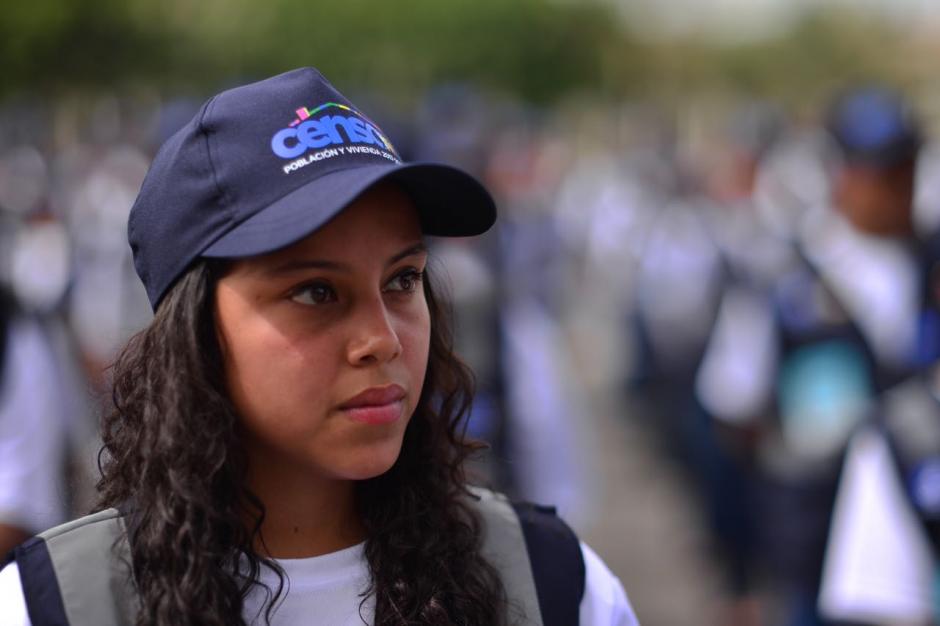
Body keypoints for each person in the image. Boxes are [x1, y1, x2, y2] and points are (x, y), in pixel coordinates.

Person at [0, 68, 637, 625]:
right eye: (315, 292)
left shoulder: (554, 587)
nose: (382, 340)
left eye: (403, 280)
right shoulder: (58, 605)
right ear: (192, 331)